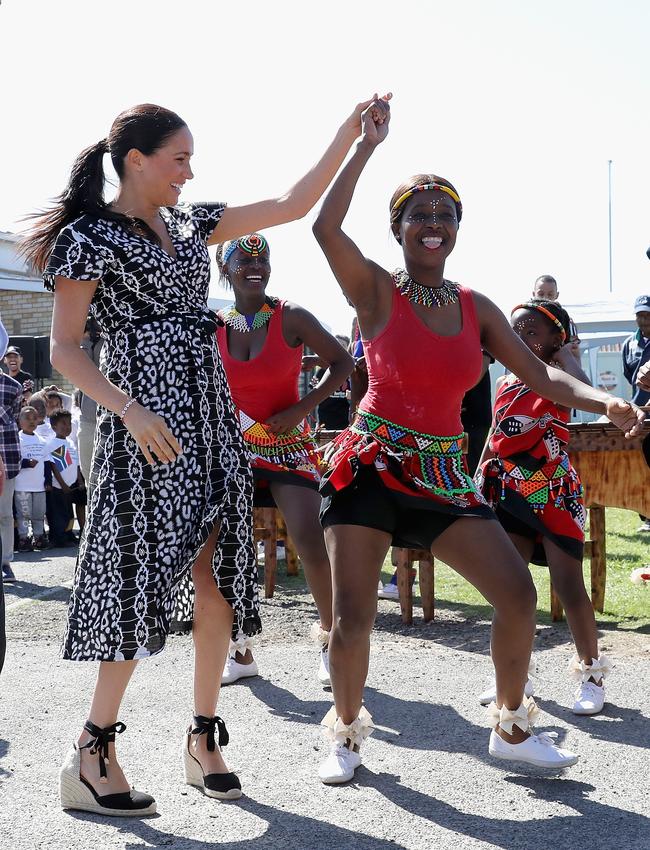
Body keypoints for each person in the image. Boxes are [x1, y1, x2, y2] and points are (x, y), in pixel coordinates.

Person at [20, 98, 383, 815]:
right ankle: (90, 754)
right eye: (179, 158)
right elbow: (65, 349)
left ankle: (204, 737)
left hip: (210, 419)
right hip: (143, 425)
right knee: (134, 581)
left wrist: (350, 136)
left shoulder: (191, 222)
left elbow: (291, 202)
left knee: (217, 576)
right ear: (137, 161)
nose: (190, 172)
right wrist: (129, 408)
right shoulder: (88, 238)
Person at [311, 95, 644, 784]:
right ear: (398, 226)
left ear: (458, 228)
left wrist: (606, 400)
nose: (433, 225)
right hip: (370, 467)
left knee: (517, 594)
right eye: (418, 215)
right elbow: (324, 226)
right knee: (354, 619)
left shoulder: (476, 307)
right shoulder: (375, 290)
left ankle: (513, 727)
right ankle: (344, 736)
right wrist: (364, 146)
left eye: (445, 215)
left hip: (440, 476)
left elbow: (545, 379)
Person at [172, 233, 353, 687]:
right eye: (244, 259)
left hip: (286, 445)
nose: (256, 265)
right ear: (226, 269)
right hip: (233, 448)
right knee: (222, 548)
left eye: (263, 259)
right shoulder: (214, 324)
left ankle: (334, 645)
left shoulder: (290, 316)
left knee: (310, 539)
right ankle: (241, 648)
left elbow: (344, 363)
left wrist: (301, 407)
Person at [477, 300, 610, 715]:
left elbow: (587, 391)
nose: (521, 339)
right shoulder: (506, 382)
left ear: (556, 339)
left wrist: (567, 355)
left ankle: (592, 674)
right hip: (511, 490)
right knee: (510, 588)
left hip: (554, 492)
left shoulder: (560, 375)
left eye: (532, 332)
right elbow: (497, 432)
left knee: (568, 586)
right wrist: (480, 471)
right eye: (516, 332)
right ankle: (518, 675)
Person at [622, 295, 650, 531]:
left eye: (647, 314)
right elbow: (628, 375)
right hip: (638, 411)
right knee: (637, 464)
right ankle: (645, 516)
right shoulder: (628, 343)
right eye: (640, 315)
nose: (644, 319)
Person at [0, 326, 22, 584]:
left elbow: (14, 421)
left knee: (5, 513)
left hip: (7, 455)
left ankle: (6, 562)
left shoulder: (12, 386)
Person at [44, 410, 85, 547]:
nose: (67, 427)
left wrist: (79, 481)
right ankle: (59, 539)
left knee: (69, 513)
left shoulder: (70, 443)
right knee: (59, 514)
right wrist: (62, 484)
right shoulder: (52, 444)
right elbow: (54, 467)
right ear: (54, 426)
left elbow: (76, 464)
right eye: (63, 423)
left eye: (69, 424)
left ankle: (68, 535)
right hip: (59, 487)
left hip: (72, 485)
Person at [14, 406, 51, 551]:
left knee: (39, 514)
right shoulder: (17, 439)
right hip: (22, 486)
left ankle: (39, 537)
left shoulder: (42, 440)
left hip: (39, 486)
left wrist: (48, 481)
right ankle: (23, 539)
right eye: (27, 418)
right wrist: (26, 463)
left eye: (34, 418)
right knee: (23, 514)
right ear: (19, 420)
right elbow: (12, 460)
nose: (31, 421)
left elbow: (47, 463)